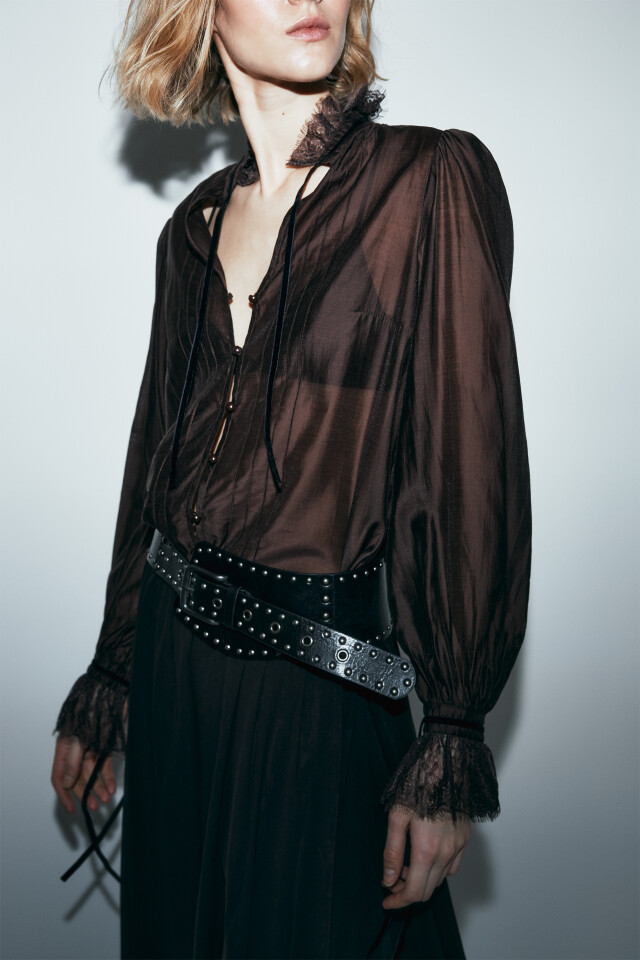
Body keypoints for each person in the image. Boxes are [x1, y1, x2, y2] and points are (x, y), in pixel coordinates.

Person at [50, 0, 532, 957]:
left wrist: (452, 728)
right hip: (175, 675)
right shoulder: (190, 230)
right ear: (202, 14)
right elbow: (154, 462)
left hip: (316, 700)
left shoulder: (426, 182)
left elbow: (469, 464)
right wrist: (114, 668)